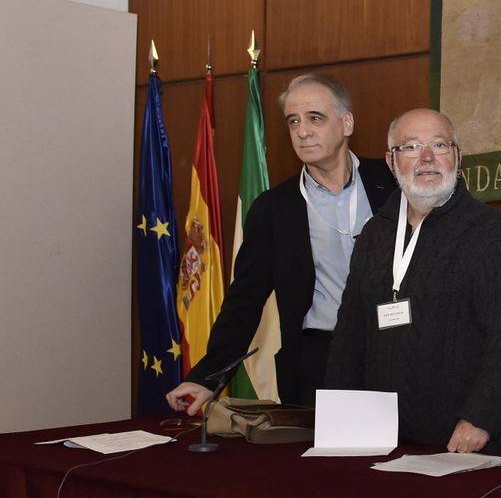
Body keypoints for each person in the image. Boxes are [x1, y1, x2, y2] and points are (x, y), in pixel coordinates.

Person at [166, 74, 394, 413]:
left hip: (396, 353)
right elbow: (245, 298)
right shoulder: (275, 209)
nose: (302, 131)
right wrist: (207, 376)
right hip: (319, 362)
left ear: (346, 123)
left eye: (315, 118)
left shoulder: (392, 184)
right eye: (293, 121)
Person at [325, 109, 501, 454]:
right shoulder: (375, 234)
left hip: (462, 443)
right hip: (378, 440)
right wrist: (337, 417)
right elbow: (349, 336)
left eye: (439, 145)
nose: (426, 158)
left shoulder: (491, 234)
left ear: (457, 157)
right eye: (410, 148)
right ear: (391, 162)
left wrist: (480, 418)